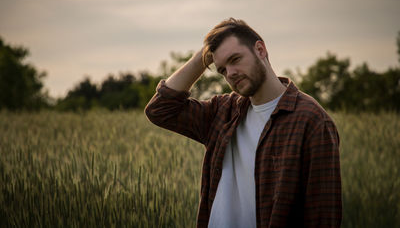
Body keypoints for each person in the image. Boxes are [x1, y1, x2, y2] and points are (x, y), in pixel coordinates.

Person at [145, 18, 342, 228]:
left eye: (235, 59)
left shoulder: (311, 121)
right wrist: (202, 58)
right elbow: (160, 110)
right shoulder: (223, 112)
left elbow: (323, 216)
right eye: (221, 69)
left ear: (260, 50)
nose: (230, 73)